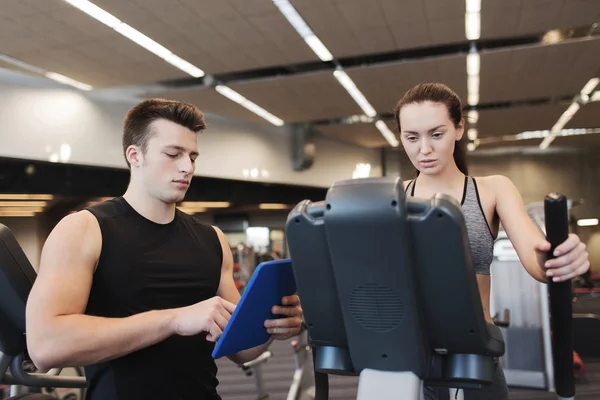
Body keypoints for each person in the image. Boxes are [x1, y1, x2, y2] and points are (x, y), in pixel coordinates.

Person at [25, 99, 304, 400]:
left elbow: (241, 349)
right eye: (173, 154)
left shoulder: (212, 239)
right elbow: (46, 346)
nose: (187, 167)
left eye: (193, 157)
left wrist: (272, 325)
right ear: (135, 155)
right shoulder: (84, 229)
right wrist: (174, 320)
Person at [394, 83, 590, 400]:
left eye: (436, 134)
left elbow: (535, 256)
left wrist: (560, 256)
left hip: (472, 352)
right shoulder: (391, 198)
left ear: (458, 129)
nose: (424, 149)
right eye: (411, 137)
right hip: (407, 353)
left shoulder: (491, 189)